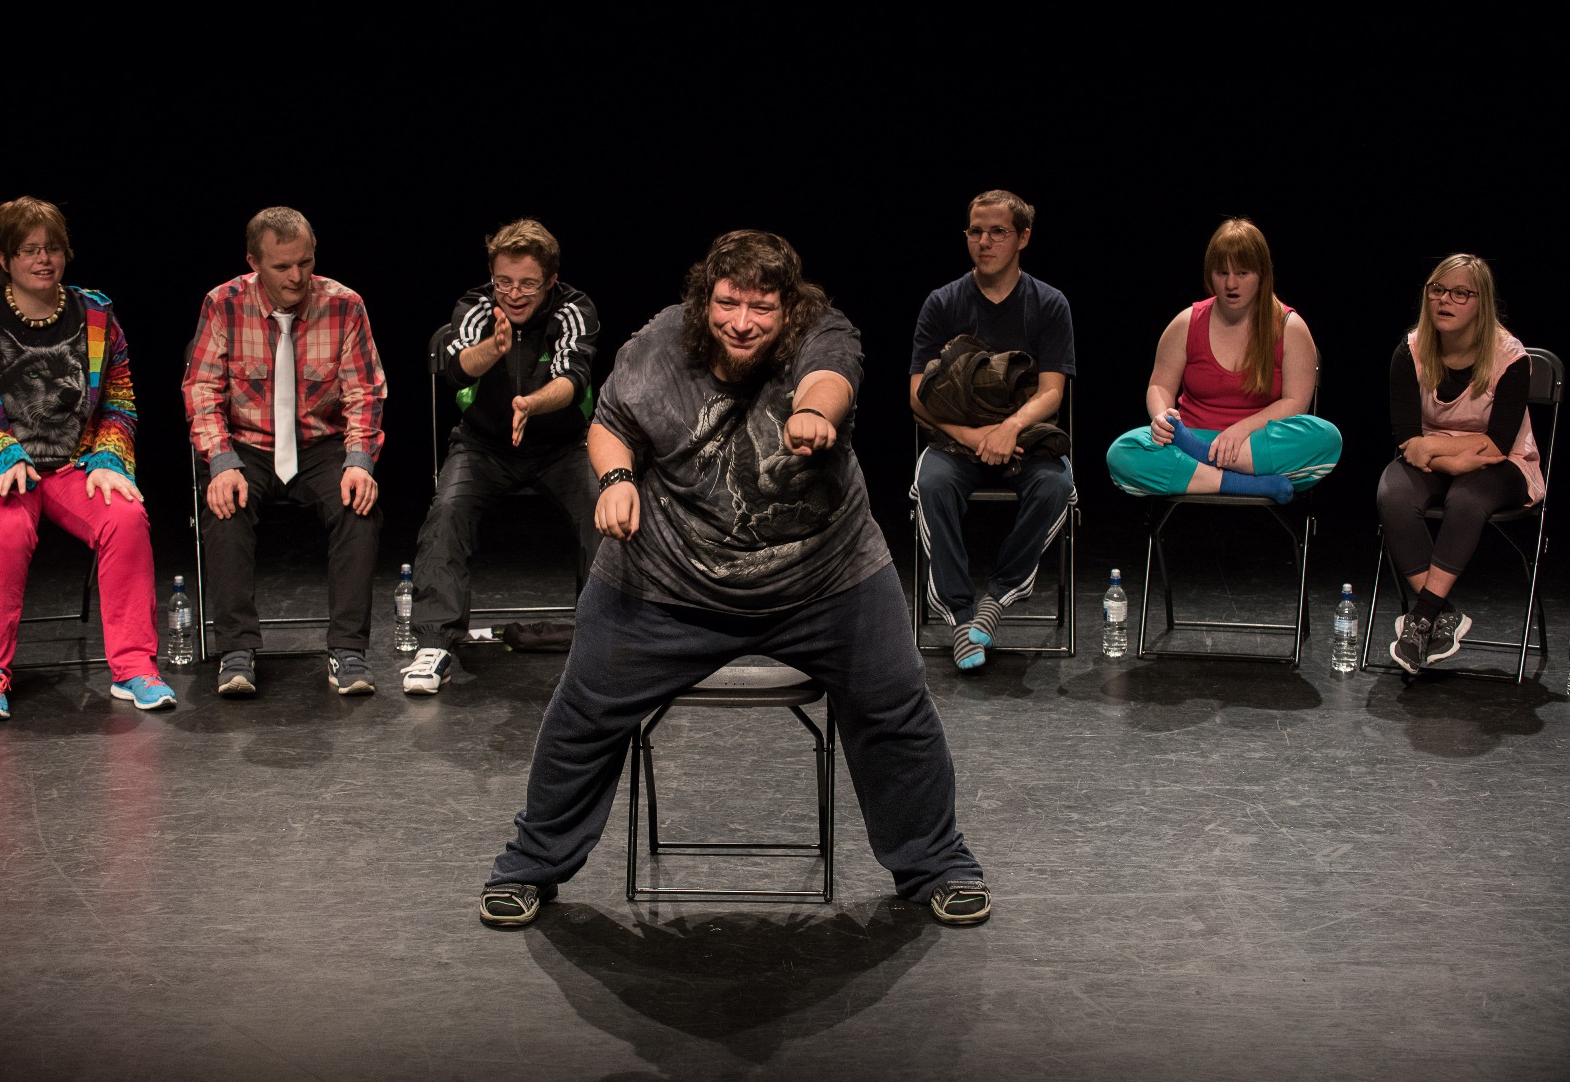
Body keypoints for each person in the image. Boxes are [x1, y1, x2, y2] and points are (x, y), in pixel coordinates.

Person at [480, 230, 990, 929]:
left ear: (788, 309)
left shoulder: (822, 330)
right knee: (582, 712)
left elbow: (831, 379)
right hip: (667, 580)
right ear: (704, 300)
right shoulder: (658, 346)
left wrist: (812, 414)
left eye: (761, 308)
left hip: (824, 579)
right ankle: (529, 866)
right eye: (727, 303)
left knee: (896, 706)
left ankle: (937, 864)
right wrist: (619, 478)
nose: (742, 322)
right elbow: (609, 424)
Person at [0, 196, 175, 720]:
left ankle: (135, 667)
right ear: (4, 258)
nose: (44, 259)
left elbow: (120, 400)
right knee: (8, 528)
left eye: (53, 249)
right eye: (29, 250)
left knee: (126, 517)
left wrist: (109, 458)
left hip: (73, 466)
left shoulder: (97, 317)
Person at [184, 207, 386, 696]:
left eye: (305, 262)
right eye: (282, 266)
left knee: (359, 506)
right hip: (247, 445)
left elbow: (365, 392)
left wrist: (358, 461)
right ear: (254, 263)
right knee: (224, 507)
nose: (297, 276)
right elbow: (202, 390)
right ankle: (236, 650)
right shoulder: (223, 303)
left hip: (319, 445)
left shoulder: (345, 305)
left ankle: (348, 650)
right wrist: (221, 462)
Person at [401, 219, 600, 694]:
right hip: (484, 445)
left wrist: (531, 404)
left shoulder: (574, 308)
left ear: (550, 280)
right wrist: (494, 346)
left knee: (604, 508)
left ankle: (605, 635)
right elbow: (456, 369)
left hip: (561, 447)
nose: (513, 294)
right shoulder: (476, 306)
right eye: (504, 281)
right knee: (447, 510)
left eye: (527, 283)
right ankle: (435, 644)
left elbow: (574, 378)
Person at [910, 189, 1077, 672]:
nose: (984, 242)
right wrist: (972, 437)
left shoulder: (1049, 304)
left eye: (998, 232)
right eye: (976, 231)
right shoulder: (943, 302)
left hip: (1024, 441)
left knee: (1056, 486)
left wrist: (1009, 429)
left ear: (1023, 238)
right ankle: (961, 618)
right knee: (932, 484)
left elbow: (1052, 391)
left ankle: (998, 598)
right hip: (956, 442)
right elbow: (917, 395)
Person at [1378, 254, 1541, 675]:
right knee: (1393, 494)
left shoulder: (1509, 357)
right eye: (1438, 290)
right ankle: (1442, 613)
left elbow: (1497, 443)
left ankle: (1421, 616)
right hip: (1436, 458)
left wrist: (1433, 450)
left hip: (1502, 463)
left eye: (1460, 293)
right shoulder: (1411, 350)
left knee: (1467, 499)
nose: (1444, 300)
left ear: (1481, 303)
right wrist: (1446, 458)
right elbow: (1406, 435)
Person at [1106, 218, 1341, 506]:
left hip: (1255, 446)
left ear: (1262, 274)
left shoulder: (1290, 327)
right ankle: (1245, 483)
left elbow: (1295, 403)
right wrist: (1162, 417)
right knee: (1123, 453)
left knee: (1327, 439)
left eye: (1242, 273)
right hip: (1190, 437)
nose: (1231, 284)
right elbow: (1159, 385)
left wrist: (1241, 430)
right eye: (1222, 273)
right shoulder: (1186, 323)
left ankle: (1204, 461)